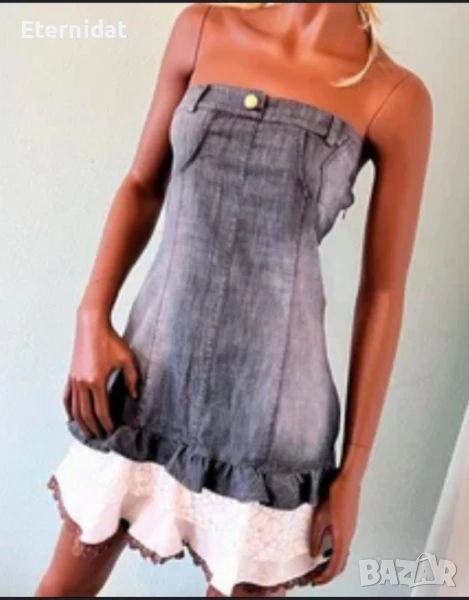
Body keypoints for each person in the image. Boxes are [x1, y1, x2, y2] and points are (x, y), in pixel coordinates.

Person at [35, 2, 433, 597]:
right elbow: (142, 184)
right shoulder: (203, 27)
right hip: (148, 379)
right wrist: (91, 315)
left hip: (273, 430)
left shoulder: (395, 97)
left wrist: (353, 472)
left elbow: (383, 293)